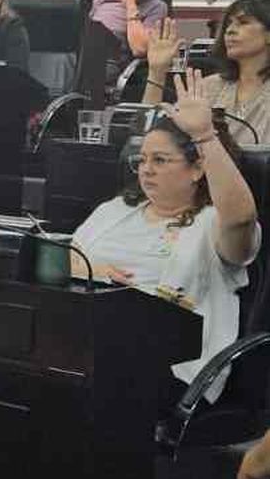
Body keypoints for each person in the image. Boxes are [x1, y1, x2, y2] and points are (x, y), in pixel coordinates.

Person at [72, 70, 260, 405]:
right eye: (141, 160)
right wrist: (95, 272)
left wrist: (204, 135)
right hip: (87, 345)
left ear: (198, 169)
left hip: (169, 370)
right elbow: (60, 256)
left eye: (160, 160)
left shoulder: (212, 224)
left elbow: (242, 217)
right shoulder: (116, 209)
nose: (145, 169)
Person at [143, 0, 270, 147]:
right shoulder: (209, 86)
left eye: (243, 23)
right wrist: (156, 72)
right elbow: (153, 138)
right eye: (229, 24)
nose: (230, 30)